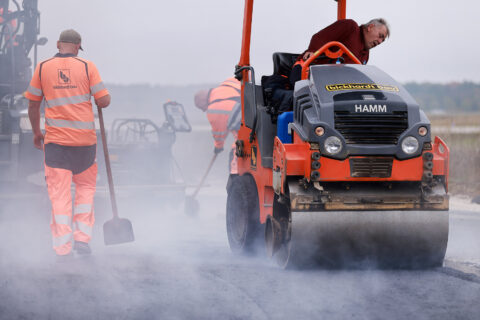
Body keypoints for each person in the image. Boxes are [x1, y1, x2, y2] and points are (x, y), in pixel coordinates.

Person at [25, 29, 111, 260]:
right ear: (78, 46)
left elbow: (33, 105)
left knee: (60, 196)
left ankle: (63, 249)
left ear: (57, 44)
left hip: (57, 145)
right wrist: (98, 97)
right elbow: (103, 100)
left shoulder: (43, 67)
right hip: (85, 144)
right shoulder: (87, 66)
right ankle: (82, 240)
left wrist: (36, 133)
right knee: (85, 191)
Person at [290, 18, 390, 83]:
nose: (380, 41)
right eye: (380, 36)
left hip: (329, 84)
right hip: (307, 73)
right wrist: (313, 50)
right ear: (370, 27)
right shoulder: (350, 27)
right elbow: (320, 37)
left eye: (383, 40)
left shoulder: (365, 55)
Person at [194, 77, 241, 174]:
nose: (204, 110)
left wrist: (218, 147)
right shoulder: (228, 83)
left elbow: (219, 135)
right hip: (259, 120)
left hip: (246, 136)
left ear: (203, 100)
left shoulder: (213, 108)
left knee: (234, 169)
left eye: (202, 108)